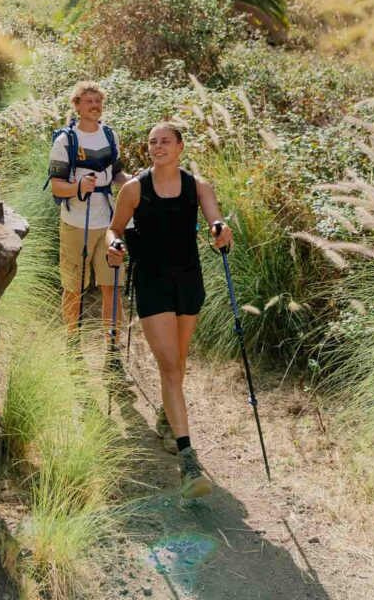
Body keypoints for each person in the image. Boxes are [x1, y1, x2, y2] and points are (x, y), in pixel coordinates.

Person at [105, 119, 232, 497]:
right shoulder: (134, 188)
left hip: (189, 281)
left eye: (164, 141)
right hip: (152, 281)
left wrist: (220, 232)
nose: (157, 147)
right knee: (170, 366)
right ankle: (188, 461)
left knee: (179, 362)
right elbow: (113, 229)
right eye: (151, 142)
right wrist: (114, 246)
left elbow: (216, 220)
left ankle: (167, 415)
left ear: (180, 147)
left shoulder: (198, 186)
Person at [48, 81, 130, 340]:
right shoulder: (65, 140)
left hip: (109, 224)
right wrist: (78, 187)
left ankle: (112, 350)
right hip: (75, 223)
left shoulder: (110, 135)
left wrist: (134, 183)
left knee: (112, 287)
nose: (95, 106)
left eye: (98, 101)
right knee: (73, 289)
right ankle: (72, 344)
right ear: (76, 105)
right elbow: (57, 187)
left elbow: (116, 174)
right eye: (89, 101)